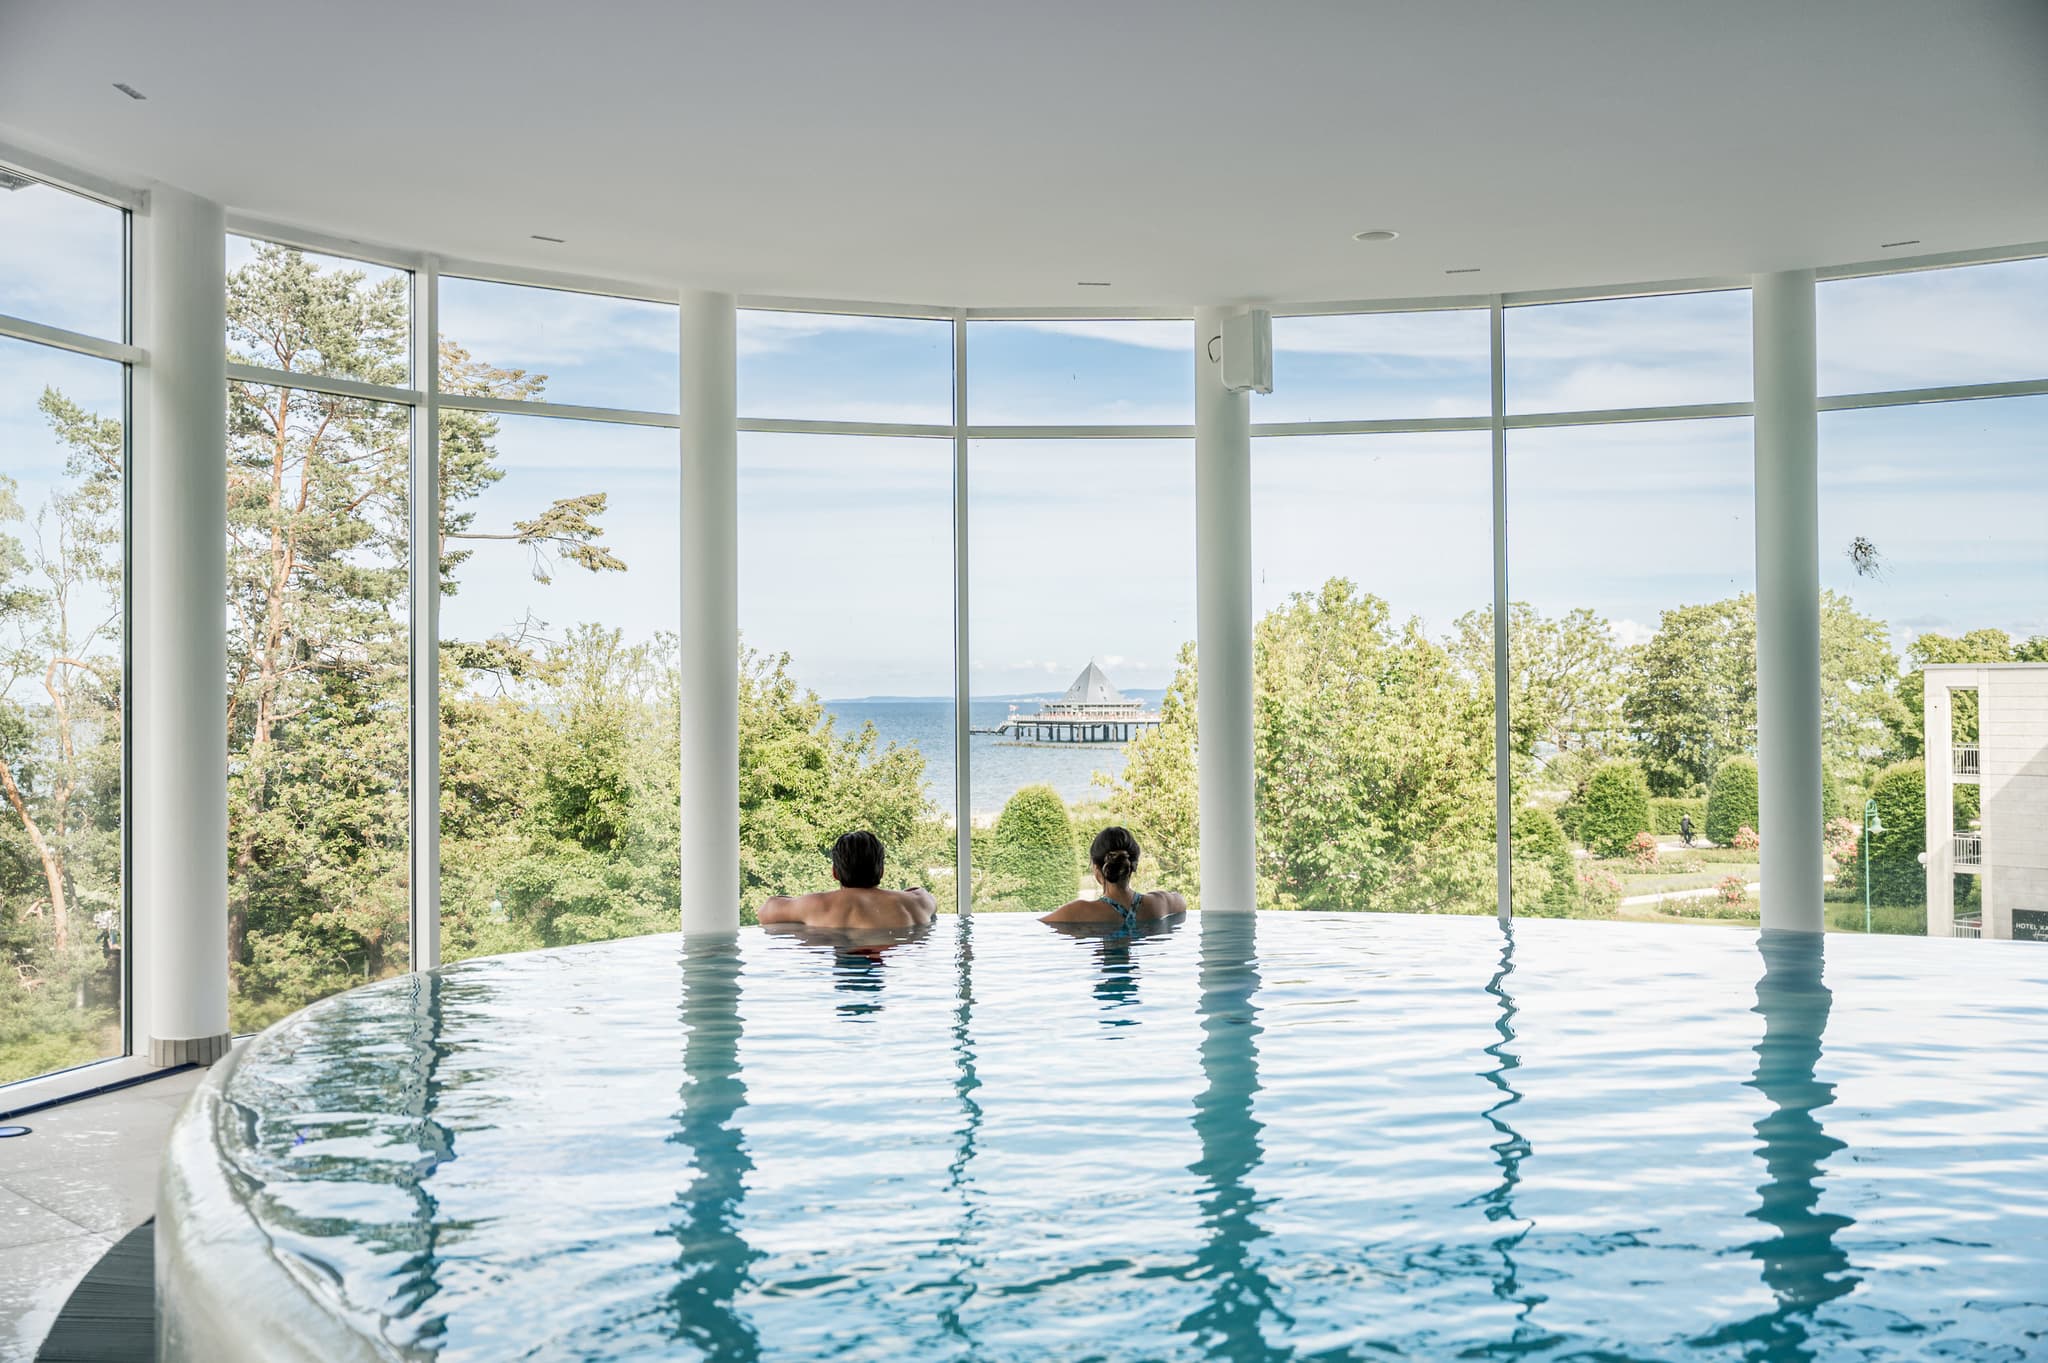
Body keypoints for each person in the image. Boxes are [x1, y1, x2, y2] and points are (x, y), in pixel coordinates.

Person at [757, 831, 937, 929]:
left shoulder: (816, 905)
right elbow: (925, 896)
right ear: (881, 871)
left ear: (835, 872)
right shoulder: (915, 903)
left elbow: (766, 911)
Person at [1040, 826, 1186, 930]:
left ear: (1097, 869)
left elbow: (1038, 927)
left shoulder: (1077, 912)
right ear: (1133, 866)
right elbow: (1182, 902)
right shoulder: (1159, 903)